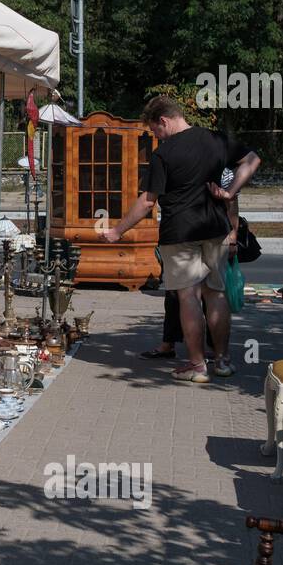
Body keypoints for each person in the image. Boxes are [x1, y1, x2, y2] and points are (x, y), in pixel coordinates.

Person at [100, 96, 261, 383]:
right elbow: (252, 159)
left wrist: (117, 231)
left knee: (188, 296)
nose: (155, 136)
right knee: (217, 293)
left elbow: (148, 201)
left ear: (163, 120)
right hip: (215, 227)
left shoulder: (164, 154)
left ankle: (197, 365)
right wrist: (230, 191)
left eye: (154, 130)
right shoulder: (215, 139)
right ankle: (222, 361)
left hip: (180, 232)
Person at [140, 168, 238, 360]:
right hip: (185, 234)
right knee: (179, 295)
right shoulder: (183, 158)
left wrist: (234, 234)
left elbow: (232, 201)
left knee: (204, 294)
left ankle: (208, 353)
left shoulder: (221, 166)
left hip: (205, 233)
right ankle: (174, 345)